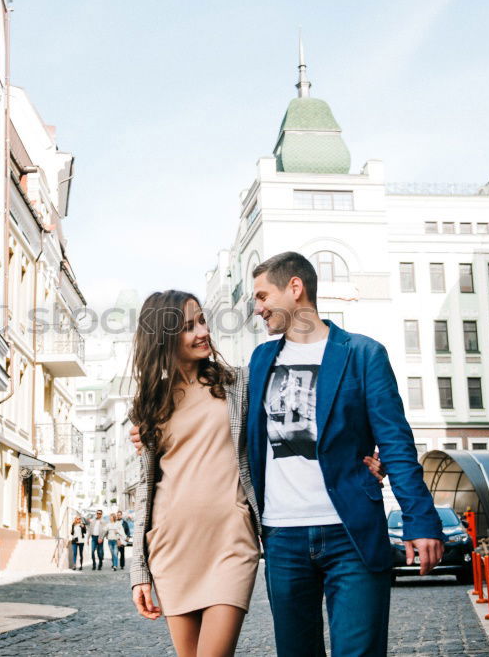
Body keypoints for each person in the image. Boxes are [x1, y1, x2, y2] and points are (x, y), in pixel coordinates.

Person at [130, 252, 441, 656]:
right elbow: (187, 449)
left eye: (261, 297)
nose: (256, 309)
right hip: (281, 537)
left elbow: (396, 441)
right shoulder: (258, 364)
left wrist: (419, 517)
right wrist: (145, 433)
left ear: (295, 289)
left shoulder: (363, 354)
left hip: (350, 530)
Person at [129, 290, 260, 657]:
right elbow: (145, 490)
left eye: (201, 320)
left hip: (231, 542)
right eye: (188, 327)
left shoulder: (238, 385)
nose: (202, 331)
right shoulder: (150, 404)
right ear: (165, 337)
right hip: (173, 546)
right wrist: (139, 572)